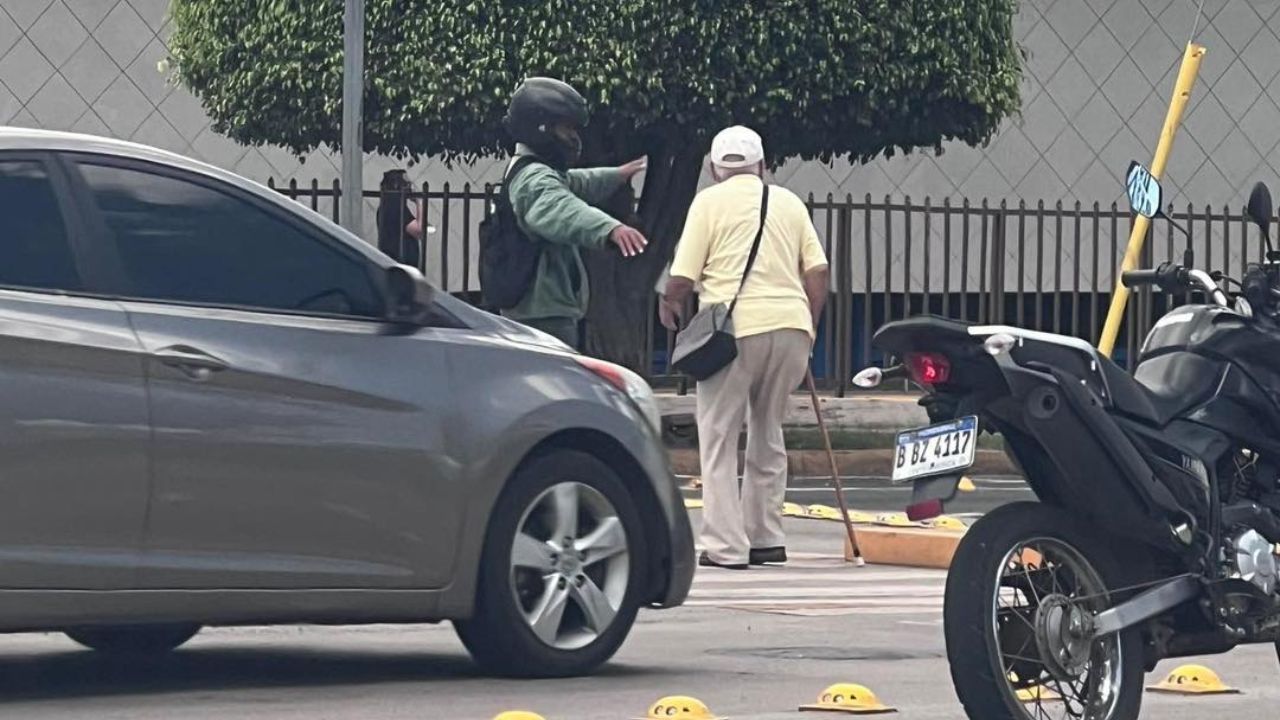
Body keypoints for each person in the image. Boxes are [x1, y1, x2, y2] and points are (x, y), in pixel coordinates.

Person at [661, 126, 830, 570]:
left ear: (715, 168)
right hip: (791, 328)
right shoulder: (789, 202)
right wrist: (808, 327)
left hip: (734, 333)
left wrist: (669, 301)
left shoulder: (709, 202)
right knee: (768, 431)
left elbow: (683, 275)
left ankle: (725, 547)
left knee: (718, 437)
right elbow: (818, 272)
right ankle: (767, 538)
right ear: (762, 164)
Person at [501, 77, 649, 349]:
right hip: (542, 315)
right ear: (541, 127)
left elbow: (576, 182)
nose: (573, 137)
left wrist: (616, 174)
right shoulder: (534, 179)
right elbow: (563, 209)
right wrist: (610, 229)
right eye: (566, 128)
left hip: (543, 309)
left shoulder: (533, 169)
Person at [376, 170, 425, 269]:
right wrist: (419, 202)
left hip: (390, 260)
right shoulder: (397, 208)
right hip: (402, 264)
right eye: (406, 184)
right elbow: (419, 230)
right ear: (397, 185)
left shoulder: (383, 207)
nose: (410, 187)